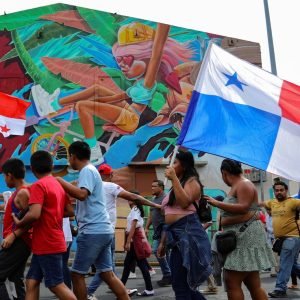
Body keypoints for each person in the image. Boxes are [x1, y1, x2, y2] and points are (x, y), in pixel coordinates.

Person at [56, 141, 130, 300]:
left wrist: (60, 181)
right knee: (106, 274)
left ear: (73, 156)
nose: (69, 161)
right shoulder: (91, 171)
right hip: (102, 230)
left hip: (92, 231)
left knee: (76, 274)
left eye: (69, 157)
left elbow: (82, 194)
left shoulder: (86, 171)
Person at [87, 164, 160, 300]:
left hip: (97, 231)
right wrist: (156, 205)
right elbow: (135, 198)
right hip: (106, 231)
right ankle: (91, 291)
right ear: (111, 175)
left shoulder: (90, 188)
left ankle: (119, 288)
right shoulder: (110, 187)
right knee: (107, 266)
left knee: (113, 265)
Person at [205, 159, 275, 300]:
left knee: (232, 281)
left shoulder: (243, 184)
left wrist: (217, 203)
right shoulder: (239, 184)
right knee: (252, 283)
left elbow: (243, 207)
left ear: (224, 173)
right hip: (243, 236)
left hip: (244, 237)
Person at [12, 151, 76, 300]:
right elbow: (69, 211)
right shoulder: (57, 184)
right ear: (52, 166)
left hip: (47, 242)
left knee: (55, 284)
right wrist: (50, 213)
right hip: (50, 241)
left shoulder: (39, 186)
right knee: (32, 281)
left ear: (32, 169)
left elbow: (34, 214)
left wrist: (19, 222)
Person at [157, 150, 211, 300]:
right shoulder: (178, 183)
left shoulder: (192, 182)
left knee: (182, 285)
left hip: (188, 234)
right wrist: (162, 242)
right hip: (175, 236)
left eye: (175, 162)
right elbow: (168, 215)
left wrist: (173, 178)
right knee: (183, 284)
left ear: (185, 165)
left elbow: (184, 202)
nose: (171, 165)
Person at [261, 181, 300, 298]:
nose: (279, 192)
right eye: (276, 190)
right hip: (280, 239)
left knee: (284, 262)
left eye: (281, 190)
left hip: (292, 238)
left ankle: (280, 288)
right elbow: (262, 203)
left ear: (286, 190)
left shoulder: (293, 202)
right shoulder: (272, 202)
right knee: (292, 264)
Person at [0, 158, 31, 300]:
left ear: (10, 175)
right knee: (15, 278)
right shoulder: (18, 192)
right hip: (17, 241)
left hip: (18, 242)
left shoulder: (23, 193)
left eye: (4, 175)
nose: (4, 179)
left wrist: (13, 235)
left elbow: (31, 220)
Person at [121, 199, 154, 297]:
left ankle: (149, 289)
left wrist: (128, 241)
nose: (127, 200)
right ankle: (121, 287)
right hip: (135, 239)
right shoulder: (135, 210)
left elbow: (133, 226)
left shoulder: (135, 210)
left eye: (129, 198)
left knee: (140, 264)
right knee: (129, 264)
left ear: (134, 200)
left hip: (135, 240)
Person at [145, 180, 172, 287]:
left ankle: (167, 274)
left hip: (165, 229)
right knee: (166, 254)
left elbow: (167, 215)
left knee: (157, 251)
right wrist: (147, 227)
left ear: (161, 187)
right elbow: (151, 215)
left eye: (154, 186)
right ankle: (170, 275)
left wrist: (161, 209)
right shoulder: (154, 199)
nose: (152, 188)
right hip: (157, 230)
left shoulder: (165, 199)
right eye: (151, 186)